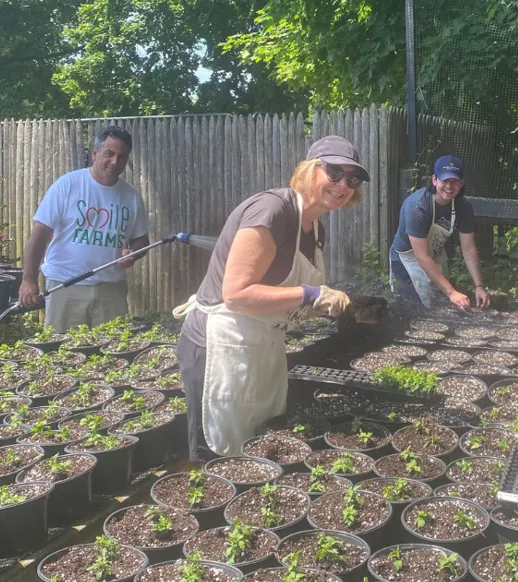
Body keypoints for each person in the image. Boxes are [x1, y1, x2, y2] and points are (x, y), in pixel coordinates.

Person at [174, 136, 368, 462]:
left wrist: (327, 305)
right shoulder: (273, 210)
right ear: (309, 170)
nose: (343, 184)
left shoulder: (316, 229)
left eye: (353, 178)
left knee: (259, 445)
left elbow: (282, 293)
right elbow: (236, 294)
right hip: (222, 345)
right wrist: (310, 294)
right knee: (221, 455)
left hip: (262, 345)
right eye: (334, 172)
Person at [18, 126, 151, 332]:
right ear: (95, 154)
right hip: (66, 285)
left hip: (111, 288)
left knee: (113, 354)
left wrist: (133, 253)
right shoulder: (68, 185)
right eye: (109, 154)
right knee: (61, 353)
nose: (115, 161)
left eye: (122, 157)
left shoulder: (131, 196)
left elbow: (142, 240)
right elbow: (39, 234)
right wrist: (28, 280)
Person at [389, 155, 489, 309]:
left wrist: (479, 286)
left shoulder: (464, 206)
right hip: (407, 259)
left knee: (440, 304)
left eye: (455, 181)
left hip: (434, 253)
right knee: (415, 308)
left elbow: (468, 248)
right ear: (434, 180)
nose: (449, 186)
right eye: (445, 180)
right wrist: (451, 292)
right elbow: (422, 257)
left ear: (461, 184)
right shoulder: (417, 207)